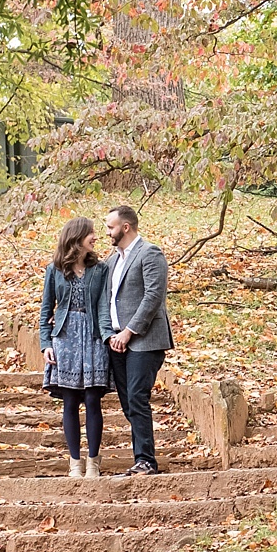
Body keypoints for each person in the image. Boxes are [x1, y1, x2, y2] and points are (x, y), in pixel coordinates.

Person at [38, 216, 113, 480]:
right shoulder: (55, 269)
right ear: (77, 237)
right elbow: (46, 309)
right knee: (69, 400)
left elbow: (104, 306)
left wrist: (107, 338)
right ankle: (74, 463)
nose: (96, 237)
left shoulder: (100, 269)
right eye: (91, 233)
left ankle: (93, 461)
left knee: (93, 399)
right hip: (65, 337)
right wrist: (45, 344)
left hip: (92, 336)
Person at [104, 204, 172, 477]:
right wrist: (111, 333)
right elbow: (108, 300)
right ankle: (140, 457)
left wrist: (129, 331)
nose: (107, 232)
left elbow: (154, 297)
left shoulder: (150, 253)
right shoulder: (112, 261)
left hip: (145, 340)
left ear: (126, 227)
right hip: (117, 341)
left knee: (137, 397)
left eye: (110, 227)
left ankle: (146, 460)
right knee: (127, 402)